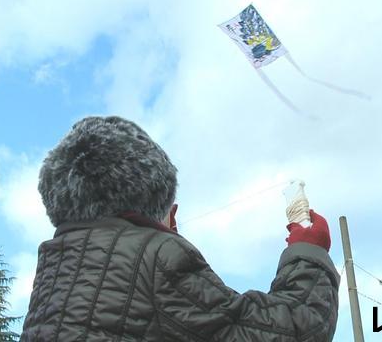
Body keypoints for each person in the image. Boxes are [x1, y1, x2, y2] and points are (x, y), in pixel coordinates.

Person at [20, 116, 339, 341]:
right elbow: (296, 330)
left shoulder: (54, 268)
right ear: (168, 213)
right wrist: (308, 249)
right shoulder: (158, 257)